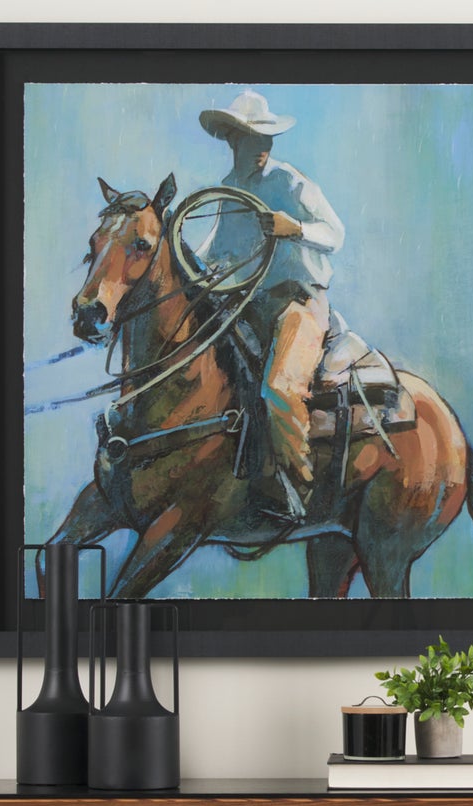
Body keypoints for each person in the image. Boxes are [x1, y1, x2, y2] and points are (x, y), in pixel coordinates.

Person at [197, 90, 345, 507]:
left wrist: (294, 228)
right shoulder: (227, 190)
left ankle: (300, 488)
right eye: (252, 138)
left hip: (299, 303)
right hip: (249, 305)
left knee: (279, 389)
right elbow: (216, 248)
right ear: (232, 141)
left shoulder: (290, 182)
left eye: (266, 138)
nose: (263, 147)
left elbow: (335, 234)